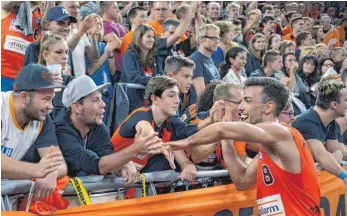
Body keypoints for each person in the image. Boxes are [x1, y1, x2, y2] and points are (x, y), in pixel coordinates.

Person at [168, 77, 324, 215]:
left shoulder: (280, 131)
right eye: (241, 101)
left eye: (247, 101)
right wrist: (227, 142)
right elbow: (242, 182)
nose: (241, 107)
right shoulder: (270, 146)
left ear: (268, 107)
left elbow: (221, 129)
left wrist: (187, 141)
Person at [54, 75, 157, 182]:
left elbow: (107, 155)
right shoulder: (61, 131)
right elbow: (95, 165)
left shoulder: (97, 126)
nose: (103, 104)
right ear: (77, 107)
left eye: (101, 99)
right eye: (95, 100)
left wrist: (122, 164)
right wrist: (135, 149)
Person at [1, 63, 68, 199]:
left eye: (52, 99)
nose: (50, 107)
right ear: (24, 97)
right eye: (46, 100)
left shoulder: (42, 119)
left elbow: (59, 164)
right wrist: (36, 171)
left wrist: (51, 173)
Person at [111, 76, 197, 181]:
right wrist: (161, 147)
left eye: (178, 96)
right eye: (171, 96)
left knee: (168, 162)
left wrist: (188, 166)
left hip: (131, 181)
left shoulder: (168, 125)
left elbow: (182, 159)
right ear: (154, 99)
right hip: (106, 180)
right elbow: (148, 133)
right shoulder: (141, 114)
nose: (178, 101)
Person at [292, 77, 347, 175]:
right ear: (334, 105)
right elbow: (321, 156)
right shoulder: (308, 122)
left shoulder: (330, 121)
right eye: (346, 100)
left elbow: (335, 149)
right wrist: (344, 176)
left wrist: (336, 153)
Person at [189, 24, 221, 104]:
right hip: (202, 111)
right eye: (213, 38)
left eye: (217, 38)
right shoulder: (195, 60)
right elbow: (201, 94)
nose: (217, 41)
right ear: (202, 39)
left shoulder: (210, 59)